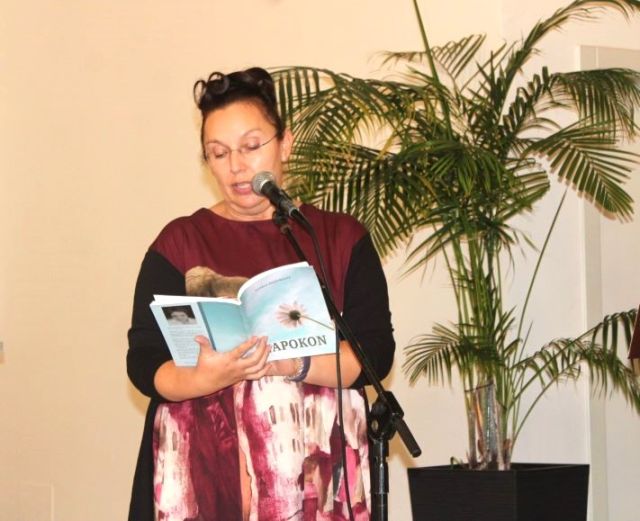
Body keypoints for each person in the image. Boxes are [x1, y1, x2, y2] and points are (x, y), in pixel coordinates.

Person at [126, 67, 395, 521]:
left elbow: (375, 355)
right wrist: (204, 378)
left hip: (316, 468)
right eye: (218, 153)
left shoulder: (338, 237)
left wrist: (289, 364)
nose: (236, 166)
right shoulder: (179, 243)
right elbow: (144, 360)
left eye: (251, 146)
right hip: (205, 472)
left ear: (285, 143)